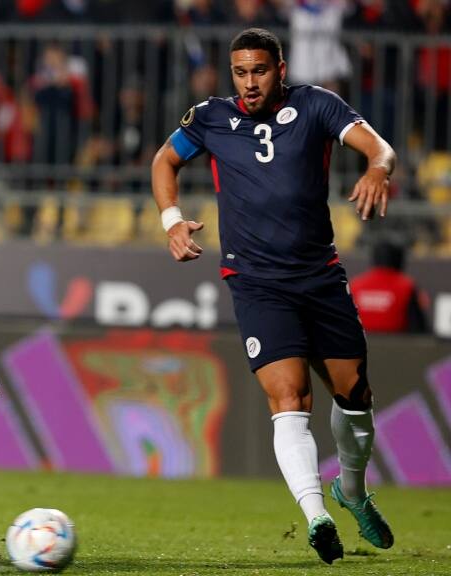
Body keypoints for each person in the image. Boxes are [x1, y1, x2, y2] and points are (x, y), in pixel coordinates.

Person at [151, 28, 395, 564]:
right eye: (240, 72)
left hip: (320, 276)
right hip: (257, 283)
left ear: (280, 68)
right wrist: (172, 222)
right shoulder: (211, 117)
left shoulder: (316, 106)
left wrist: (378, 167)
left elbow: (379, 145)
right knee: (290, 400)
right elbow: (164, 161)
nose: (249, 82)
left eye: (259, 70)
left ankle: (350, 491)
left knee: (355, 397)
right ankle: (317, 515)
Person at [350, 239, 428, 333]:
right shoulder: (406, 286)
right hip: (397, 345)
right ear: (399, 260)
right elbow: (419, 328)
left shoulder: (355, 285)